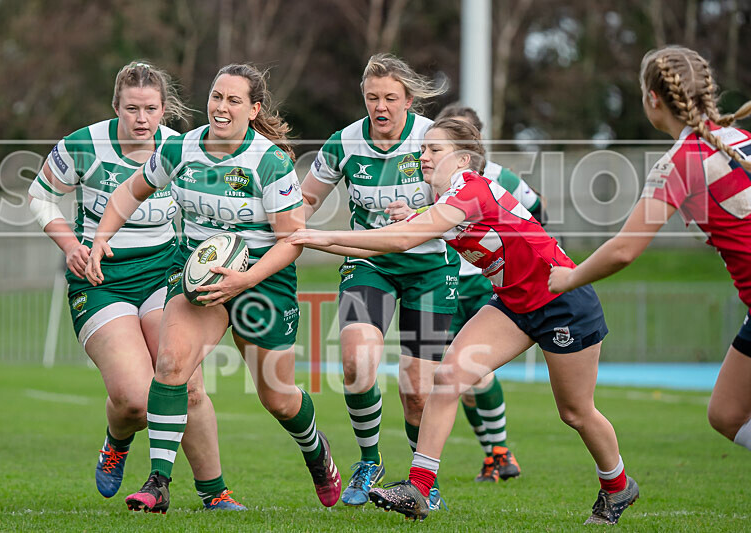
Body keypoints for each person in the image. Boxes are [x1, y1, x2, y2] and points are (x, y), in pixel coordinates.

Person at [287, 118, 638, 524]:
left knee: (575, 412)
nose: (423, 157)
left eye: (434, 150)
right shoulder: (451, 198)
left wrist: (320, 237)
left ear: (465, 158)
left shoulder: (470, 189)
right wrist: (406, 214)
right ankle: (419, 488)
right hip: (513, 304)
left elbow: (402, 239)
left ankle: (618, 485)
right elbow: (423, 227)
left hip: (564, 302)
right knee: (449, 376)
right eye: (423, 150)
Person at [85, 63, 342, 513]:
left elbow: (292, 242)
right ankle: (159, 483)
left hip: (263, 281)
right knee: (170, 366)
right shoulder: (182, 147)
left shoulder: (269, 161)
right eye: (216, 97)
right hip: (198, 275)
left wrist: (245, 279)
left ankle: (317, 454)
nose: (221, 108)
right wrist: (103, 234)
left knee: (278, 398)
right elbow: (131, 189)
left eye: (234, 100)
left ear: (254, 108)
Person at [27, 61, 245, 511]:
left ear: (164, 109)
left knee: (187, 383)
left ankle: (215, 494)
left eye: (150, 109)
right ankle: (117, 440)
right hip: (102, 280)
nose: (141, 119)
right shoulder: (84, 144)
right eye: (131, 109)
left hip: (164, 275)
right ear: (116, 107)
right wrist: (71, 245)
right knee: (132, 400)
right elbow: (40, 195)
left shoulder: (181, 147)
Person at [548, 46, 751, 453]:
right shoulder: (741, 137)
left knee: (727, 413)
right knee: (726, 412)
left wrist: (569, 277)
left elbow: (625, 249)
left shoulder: (682, 161)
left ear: (652, 98)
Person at [299, 53, 460, 507]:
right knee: (356, 360)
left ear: (409, 100)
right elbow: (306, 200)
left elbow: (461, 201)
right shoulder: (344, 142)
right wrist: (276, 225)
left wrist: (421, 216)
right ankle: (370, 461)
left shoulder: (432, 140)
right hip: (369, 262)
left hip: (431, 268)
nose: (380, 107)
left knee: (417, 390)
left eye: (390, 98)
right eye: (372, 98)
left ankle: (422, 479)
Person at [387, 104, 544, 483]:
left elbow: (535, 206)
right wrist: (411, 212)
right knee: (464, 376)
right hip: (453, 279)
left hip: (486, 285)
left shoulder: (497, 176)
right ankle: (495, 454)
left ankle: (497, 452)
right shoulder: (435, 177)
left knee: (469, 373)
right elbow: (433, 218)